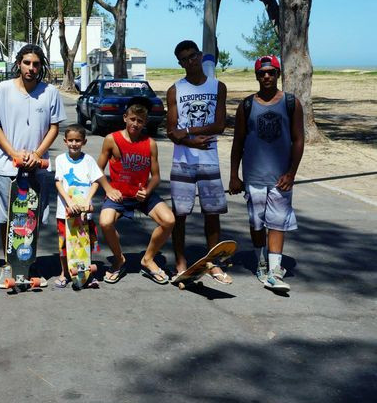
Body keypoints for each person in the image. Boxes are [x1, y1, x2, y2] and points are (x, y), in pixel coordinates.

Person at [0, 43, 67, 287]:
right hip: (7, 167)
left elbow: (54, 126)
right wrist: (13, 154)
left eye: (36, 64)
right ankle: (9, 265)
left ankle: (29, 264)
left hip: (38, 167)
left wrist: (37, 153)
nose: (31, 68)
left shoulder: (50, 92)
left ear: (41, 66)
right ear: (18, 64)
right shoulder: (2, 89)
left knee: (31, 218)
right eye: (26, 63)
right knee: (7, 220)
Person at [229, 55, 304, 292]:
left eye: (271, 72)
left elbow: (298, 139)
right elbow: (238, 142)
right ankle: (261, 261)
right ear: (257, 76)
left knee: (277, 222)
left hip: (281, 177)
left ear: (278, 74)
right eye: (262, 73)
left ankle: (274, 270)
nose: (267, 76)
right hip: (253, 176)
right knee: (257, 223)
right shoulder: (247, 105)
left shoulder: (292, 103)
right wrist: (234, 175)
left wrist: (291, 172)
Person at [166, 40, 232, 285]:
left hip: (209, 159)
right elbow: (171, 130)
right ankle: (181, 263)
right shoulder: (175, 90)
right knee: (180, 214)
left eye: (192, 56)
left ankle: (213, 262)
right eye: (184, 59)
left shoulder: (218, 87)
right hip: (182, 161)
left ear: (200, 56)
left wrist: (188, 131)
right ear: (180, 63)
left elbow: (219, 125)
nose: (190, 62)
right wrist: (190, 141)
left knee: (212, 213)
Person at [97, 98, 176, 284]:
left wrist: (147, 191)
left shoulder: (150, 143)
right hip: (119, 195)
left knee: (169, 220)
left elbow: (156, 176)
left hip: (142, 195)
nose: (135, 124)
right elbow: (96, 169)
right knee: (105, 222)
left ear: (145, 123)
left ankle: (148, 259)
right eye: (132, 119)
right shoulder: (111, 139)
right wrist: (108, 188)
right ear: (125, 118)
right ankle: (119, 260)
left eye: (140, 121)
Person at [53, 124, 103, 289]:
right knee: (64, 244)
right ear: (65, 141)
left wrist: (87, 200)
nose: (74, 143)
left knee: (84, 243)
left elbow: (96, 181)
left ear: (84, 141)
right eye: (71, 140)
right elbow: (58, 183)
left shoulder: (88, 160)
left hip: (84, 214)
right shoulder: (60, 159)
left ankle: (87, 274)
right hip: (65, 212)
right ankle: (64, 273)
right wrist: (69, 201)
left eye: (78, 140)